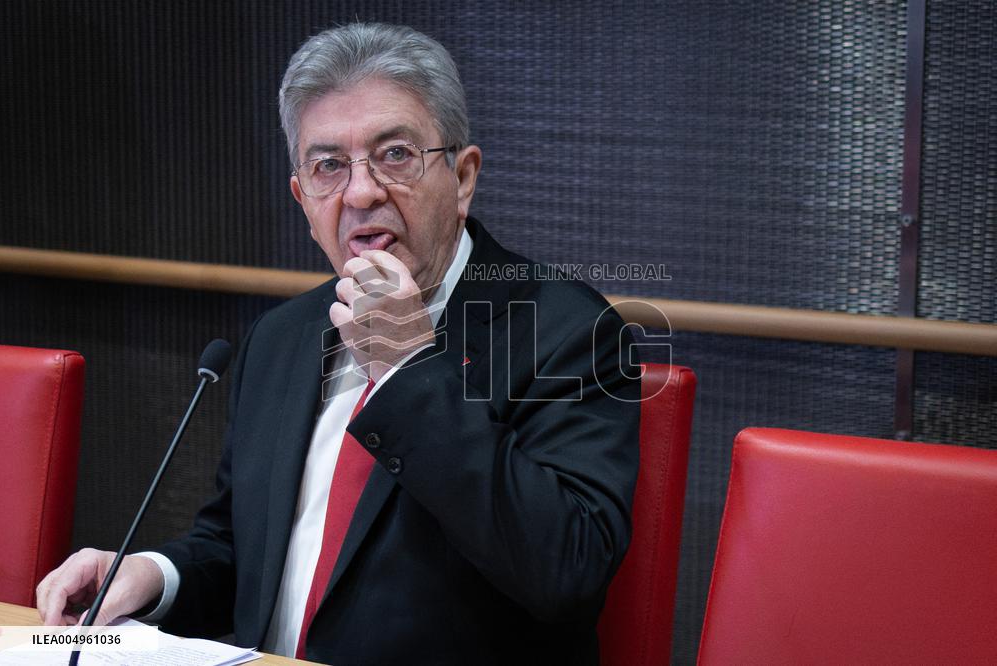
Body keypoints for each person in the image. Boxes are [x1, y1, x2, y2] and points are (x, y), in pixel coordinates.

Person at [37, 22, 641, 665]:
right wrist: (153, 576)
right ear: (303, 198)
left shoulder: (566, 330)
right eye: (328, 166)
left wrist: (408, 369)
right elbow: (241, 550)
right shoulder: (281, 338)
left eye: (396, 155)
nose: (360, 192)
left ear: (463, 177)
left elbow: (567, 572)